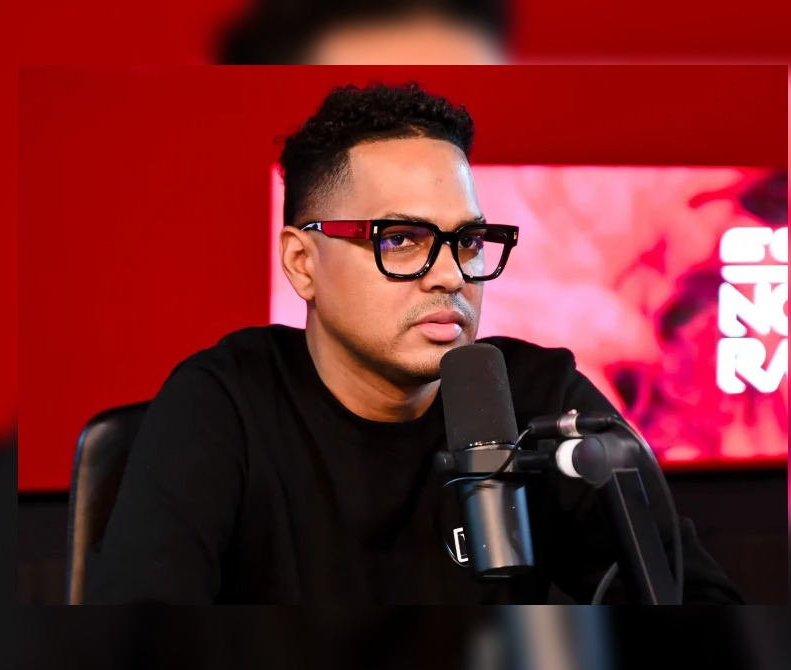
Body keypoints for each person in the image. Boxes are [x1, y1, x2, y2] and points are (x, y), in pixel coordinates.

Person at [83, 81, 745, 604]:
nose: (452, 275)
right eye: (400, 240)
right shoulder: (222, 405)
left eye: (468, 241)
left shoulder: (539, 398)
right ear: (302, 263)